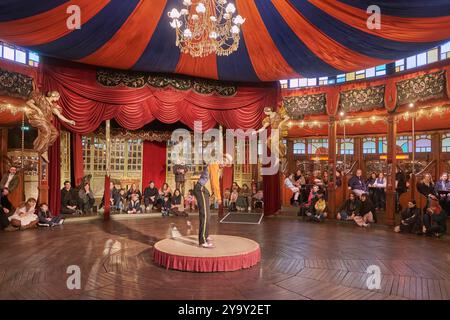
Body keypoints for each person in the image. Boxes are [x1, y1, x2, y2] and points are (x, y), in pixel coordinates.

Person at [194, 154, 232, 248]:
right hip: (201, 189)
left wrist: (212, 196)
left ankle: (205, 236)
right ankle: (202, 240)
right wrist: (219, 197)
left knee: (208, 215)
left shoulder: (217, 168)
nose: (224, 164)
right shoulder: (214, 165)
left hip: (205, 191)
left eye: (226, 164)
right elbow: (215, 183)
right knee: (205, 215)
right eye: (224, 161)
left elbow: (213, 183)